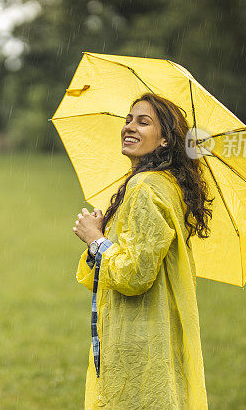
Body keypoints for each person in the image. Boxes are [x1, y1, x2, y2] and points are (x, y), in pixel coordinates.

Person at [72, 92, 212, 409]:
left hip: (140, 340)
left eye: (143, 122)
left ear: (165, 140)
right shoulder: (166, 184)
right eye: (128, 119)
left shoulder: (145, 187)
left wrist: (95, 239)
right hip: (155, 334)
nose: (129, 127)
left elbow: (135, 274)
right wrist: (106, 232)